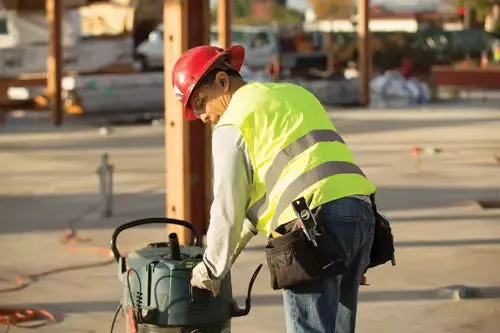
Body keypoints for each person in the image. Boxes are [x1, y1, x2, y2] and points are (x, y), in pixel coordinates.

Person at [171, 45, 377, 333]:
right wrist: (220, 260)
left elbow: (227, 205)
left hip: (312, 227)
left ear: (222, 80)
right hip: (360, 215)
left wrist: (212, 269)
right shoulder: (294, 93)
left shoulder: (233, 122)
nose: (204, 117)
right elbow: (247, 210)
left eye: (202, 103)